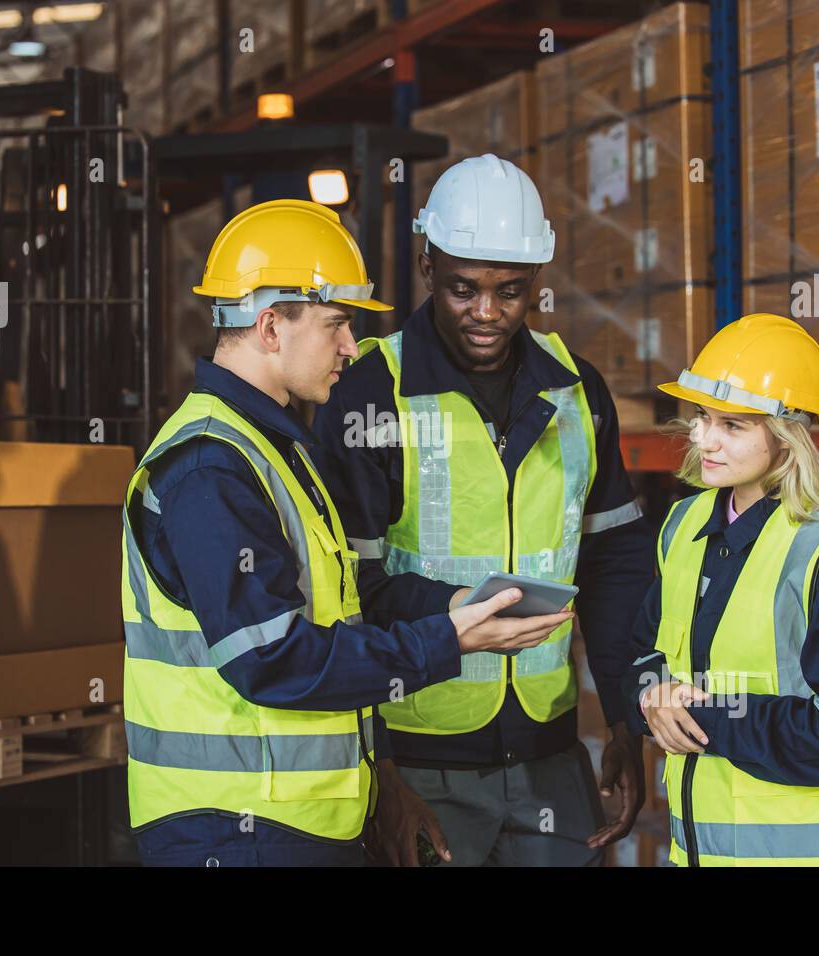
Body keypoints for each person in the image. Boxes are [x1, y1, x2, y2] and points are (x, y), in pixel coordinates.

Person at [122, 198, 573, 867]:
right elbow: (275, 661)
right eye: (335, 323)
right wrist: (450, 641)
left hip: (294, 821)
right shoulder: (209, 468)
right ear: (271, 325)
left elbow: (344, 612)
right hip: (235, 829)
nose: (349, 346)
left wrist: (451, 607)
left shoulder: (276, 448)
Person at [311, 155, 657, 866]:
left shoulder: (576, 392)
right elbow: (343, 595)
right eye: (465, 289)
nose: (488, 313)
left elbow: (615, 565)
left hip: (549, 752)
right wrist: (378, 770)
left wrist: (625, 718)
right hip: (418, 758)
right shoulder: (372, 395)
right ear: (427, 266)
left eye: (511, 291)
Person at [624, 312, 819, 866]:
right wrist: (649, 699)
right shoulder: (682, 526)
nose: (704, 438)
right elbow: (643, 652)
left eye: (732, 426)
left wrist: (702, 714)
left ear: (788, 438)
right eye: (703, 418)